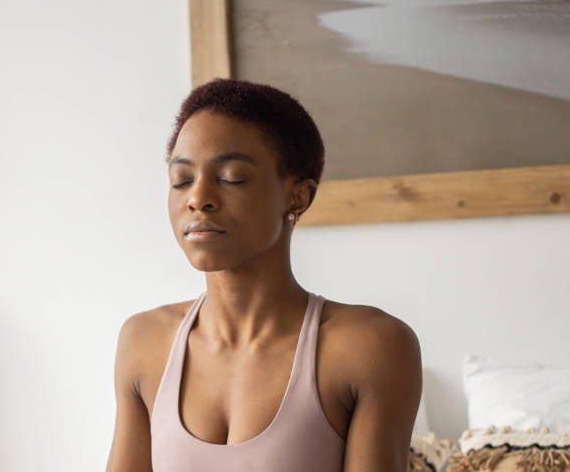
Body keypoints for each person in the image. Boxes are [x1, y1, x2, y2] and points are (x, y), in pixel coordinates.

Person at [106, 78, 422, 471]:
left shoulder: (369, 346)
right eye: (181, 180)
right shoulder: (144, 341)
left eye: (231, 177)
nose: (197, 197)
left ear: (297, 196)